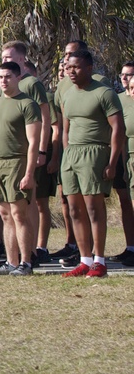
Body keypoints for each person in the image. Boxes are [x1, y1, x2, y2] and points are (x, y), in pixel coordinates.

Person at [60, 49, 124, 278]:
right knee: (74, 209)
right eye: (68, 67)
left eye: (76, 67)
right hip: (71, 156)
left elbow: (118, 128)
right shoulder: (67, 94)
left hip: (95, 152)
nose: (71, 71)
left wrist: (112, 162)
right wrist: (67, 155)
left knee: (94, 209)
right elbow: (66, 130)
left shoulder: (104, 93)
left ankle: (99, 261)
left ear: (89, 68)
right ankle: (85, 260)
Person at [0, 42, 54, 263]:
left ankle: (30, 251)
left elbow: (45, 118)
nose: (5, 61)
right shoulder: (7, 86)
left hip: (28, 153)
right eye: (3, 58)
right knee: (13, 208)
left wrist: (42, 150)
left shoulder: (31, 84)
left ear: (22, 60)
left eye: (9, 57)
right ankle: (16, 254)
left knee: (29, 203)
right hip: (8, 156)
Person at [0, 62, 41, 276]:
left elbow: (33, 142)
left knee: (19, 214)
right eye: (0, 76)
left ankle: (26, 262)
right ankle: (11, 261)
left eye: (8, 76)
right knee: (5, 215)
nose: (3, 80)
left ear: (18, 78)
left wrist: (29, 174)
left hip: (17, 162)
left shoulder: (27, 104)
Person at [115, 62, 134, 266]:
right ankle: (130, 247)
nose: (125, 78)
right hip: (122, 157)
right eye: (122, 74)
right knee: (125, 202)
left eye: (129, 74)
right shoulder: (118, 99)